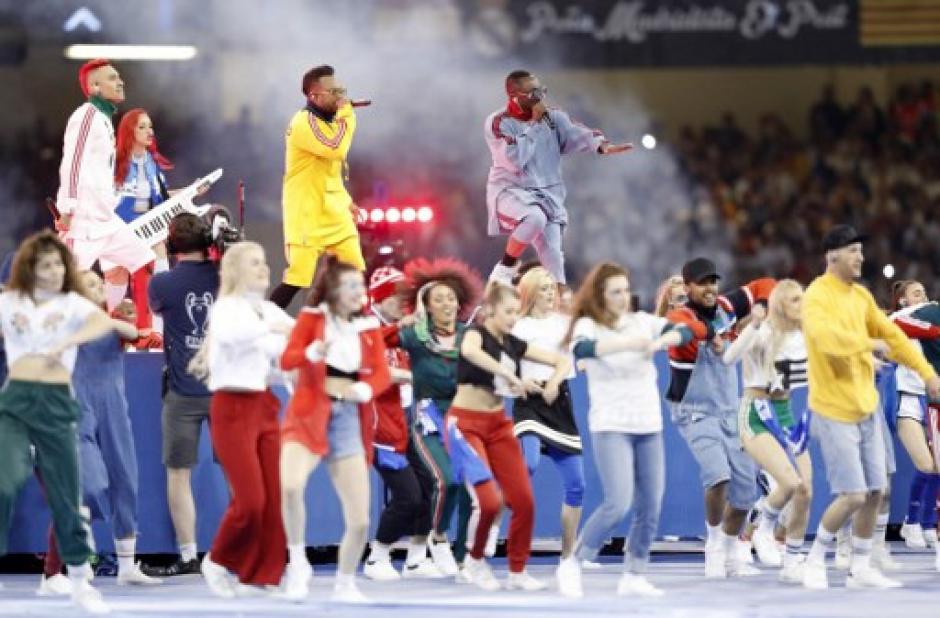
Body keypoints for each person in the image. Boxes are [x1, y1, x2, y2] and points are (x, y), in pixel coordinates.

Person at [801, 225, 940, 590]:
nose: (861, 257)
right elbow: (824, 339)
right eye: (853, 251)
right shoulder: (817, 296)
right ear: (832, 256)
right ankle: (816, 558)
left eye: (861, 250)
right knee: (854, 495)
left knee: (877, 491)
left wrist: (927, 373)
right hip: (832, 408)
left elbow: (894, 337)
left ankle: (860, 566)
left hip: (866, 406)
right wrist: (868, 344)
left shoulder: (861, 297)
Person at [0, 231, 126, 614]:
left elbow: (101, 324)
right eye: (46, 264)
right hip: (18, 405)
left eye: (59, 264)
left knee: (68, 496)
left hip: (57, 406)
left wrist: (66, 340)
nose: (54, 271)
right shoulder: (10, 303)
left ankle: (70, 579)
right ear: (28, 269)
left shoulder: (73, 305)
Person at [557, 262, 689, 598]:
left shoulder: (642, 321)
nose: (622, 297)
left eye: (625, 290)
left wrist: (664, 341)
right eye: (615, 291)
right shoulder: (589, 324)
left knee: (651, 504)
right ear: (601, 295)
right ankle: (573, 562)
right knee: (618, 501)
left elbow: (689, 330)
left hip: (649, 424)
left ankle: (634, 572)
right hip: (610, 424)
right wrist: (630, 344)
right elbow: (582, 350)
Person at [279, 256, 391, 603]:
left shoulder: (367, 326)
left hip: (347, 419)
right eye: (353, 284)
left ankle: (345, 582)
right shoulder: (313, 319)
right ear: (334, 289)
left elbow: (381, 372)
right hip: (309, 411)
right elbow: (287, 359)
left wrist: (366, 390)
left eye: (362, 284)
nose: (360, 291)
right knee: (291, 485)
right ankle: (297, 563)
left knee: (359, 520)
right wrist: (310, 352)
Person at [448, 282, 570, 591]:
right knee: (489, 502)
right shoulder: (476, 334)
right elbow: (470, 353)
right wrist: (511, 376)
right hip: (465, 425)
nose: (514, 318)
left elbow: (561, 360)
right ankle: (474, 561)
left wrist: (552, 382)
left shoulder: (514, 344)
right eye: (508, 312)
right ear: (490, 310)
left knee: (524, 501)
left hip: (498, 426)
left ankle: (517, 571)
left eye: (517, 312)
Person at [192, 242, 293, 598]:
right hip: (232, 407)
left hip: (264, 404)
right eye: (254, 262)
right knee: (250, 500)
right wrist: (276, 335)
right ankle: (217, 560)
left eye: (264, 261)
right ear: (234, 270)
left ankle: (261, 574)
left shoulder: (267, 310)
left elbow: (294, 345)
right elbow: (239, 338)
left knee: (274, 496)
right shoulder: (226, 309)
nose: (264, 268)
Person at [665, 257, 775, 578]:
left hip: (730, 412)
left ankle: (729, 549)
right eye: (703, 283)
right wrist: (711, 331)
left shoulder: (727, 305)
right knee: (718, 476)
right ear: (687, 288)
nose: (711, 288)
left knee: (745, 494)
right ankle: (713, 543)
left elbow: (765, 284)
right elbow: (686, 329)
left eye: (713, 281)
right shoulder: (680, 314)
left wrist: (761, 306)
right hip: (694, 413)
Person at [484, 69, 632, 286]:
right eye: (534, 94)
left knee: (554, 260)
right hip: (511, 191)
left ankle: (560, 304)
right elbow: (514, 159)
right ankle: (505, 267)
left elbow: (577, 133)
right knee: (534, 218)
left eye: (541, 91)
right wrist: (534, 125)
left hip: (549, 195)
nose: (541, 98)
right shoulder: (498, 123)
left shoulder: (553, 117)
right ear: (515, 97)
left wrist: (601, 145)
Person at [397, 258, 484, 575]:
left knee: (472, 488)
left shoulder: (469, 336)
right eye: (438, 299)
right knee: (447, 480)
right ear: (426, 306)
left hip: (464, 418)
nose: (447, 303)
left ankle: (463, 559)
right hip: (429, 419)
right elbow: (374, 346)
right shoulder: (414, 336)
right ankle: (437, 538)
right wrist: (404, 323)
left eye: (451, 298)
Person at [721, 279, 812, 583]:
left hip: (785, 413)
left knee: (805, 489)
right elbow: (728, 358)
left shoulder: (805, 335)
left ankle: (792, 558)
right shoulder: (764, 333)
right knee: (788, 483)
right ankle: (757, 532)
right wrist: (753, 326)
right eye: (796, 299)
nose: (803, 304)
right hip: (756, 413)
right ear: (782, 304)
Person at [144, 214, 220, 577]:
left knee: (178, 474)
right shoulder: (227, 277)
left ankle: (189, 555)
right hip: (225, 389)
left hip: (182, 390)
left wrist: (160, 259)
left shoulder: (163, 283)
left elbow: (157, 306)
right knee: (241, 473)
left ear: (173, 245)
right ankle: (248, 550)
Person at [55, 59, 155, 313]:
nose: (120, 81)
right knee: (64, 284)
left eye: (119, 76)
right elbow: (72, 162)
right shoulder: (85, 115)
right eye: (112, 78)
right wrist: (66, 208)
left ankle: (137, 331)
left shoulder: (104, 119)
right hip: (84, 222)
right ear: (95, 87)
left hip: (106, 219)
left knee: (144, 261)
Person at [363, 266, 442, 580]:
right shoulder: (367, 326)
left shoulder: (399, 329)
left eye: (404, 296)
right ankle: (377, 557)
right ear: (380, 298)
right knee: (408, 495)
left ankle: (416, 557)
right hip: (379, 427)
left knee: (431, 486)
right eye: (395, 296)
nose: (401, 302)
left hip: (406, 421)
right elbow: (376, 369)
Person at [270, 65, 364, 309]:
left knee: (356, 274)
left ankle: (353, 329)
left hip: (334, 212)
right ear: (314, 96)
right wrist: (348, 115)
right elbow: (335, 148)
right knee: (297, 280)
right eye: (334, 91)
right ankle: (261, 324)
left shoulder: (330, 120)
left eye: (341, 90)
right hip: (307, 214)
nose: (341, 96)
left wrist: (346, 201)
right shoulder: (303, 122)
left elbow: (329, 172)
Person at [510, 267, 584, 566]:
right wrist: (520, 384)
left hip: (559, 401)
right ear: (528, 293)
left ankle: (568, 554)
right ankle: (492, 516)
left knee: (577, 484)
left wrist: (554, 382)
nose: (550, 293)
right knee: (528, 462)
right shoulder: (516, 326)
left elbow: (567, 363)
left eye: (552, 287)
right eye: (543, 288)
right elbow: (505, 366)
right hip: (528, 401)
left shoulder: (566, 324)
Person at [112, 108, 187, 347]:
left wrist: (188, 192)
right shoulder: (114, 162)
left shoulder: (153, 162)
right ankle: (110, 328)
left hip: (150, 229)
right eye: (142, 126)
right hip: (119, 231)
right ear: (129, 131)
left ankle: (158, 332)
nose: (149, 131)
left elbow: (162, 199)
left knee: (159, 254)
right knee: (116, 277)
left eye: (150, 126)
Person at [889, 279, 940, 568]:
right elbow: (890, 326)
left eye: (925, 291)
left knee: (937, 465)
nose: (924, 296)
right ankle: (911, 521)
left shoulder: (929, 319)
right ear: (903, 301)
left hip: (931, 398)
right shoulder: (897, 319)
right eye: (916, 293)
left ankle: (925, 524)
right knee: (927, 465)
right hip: (907, 399)